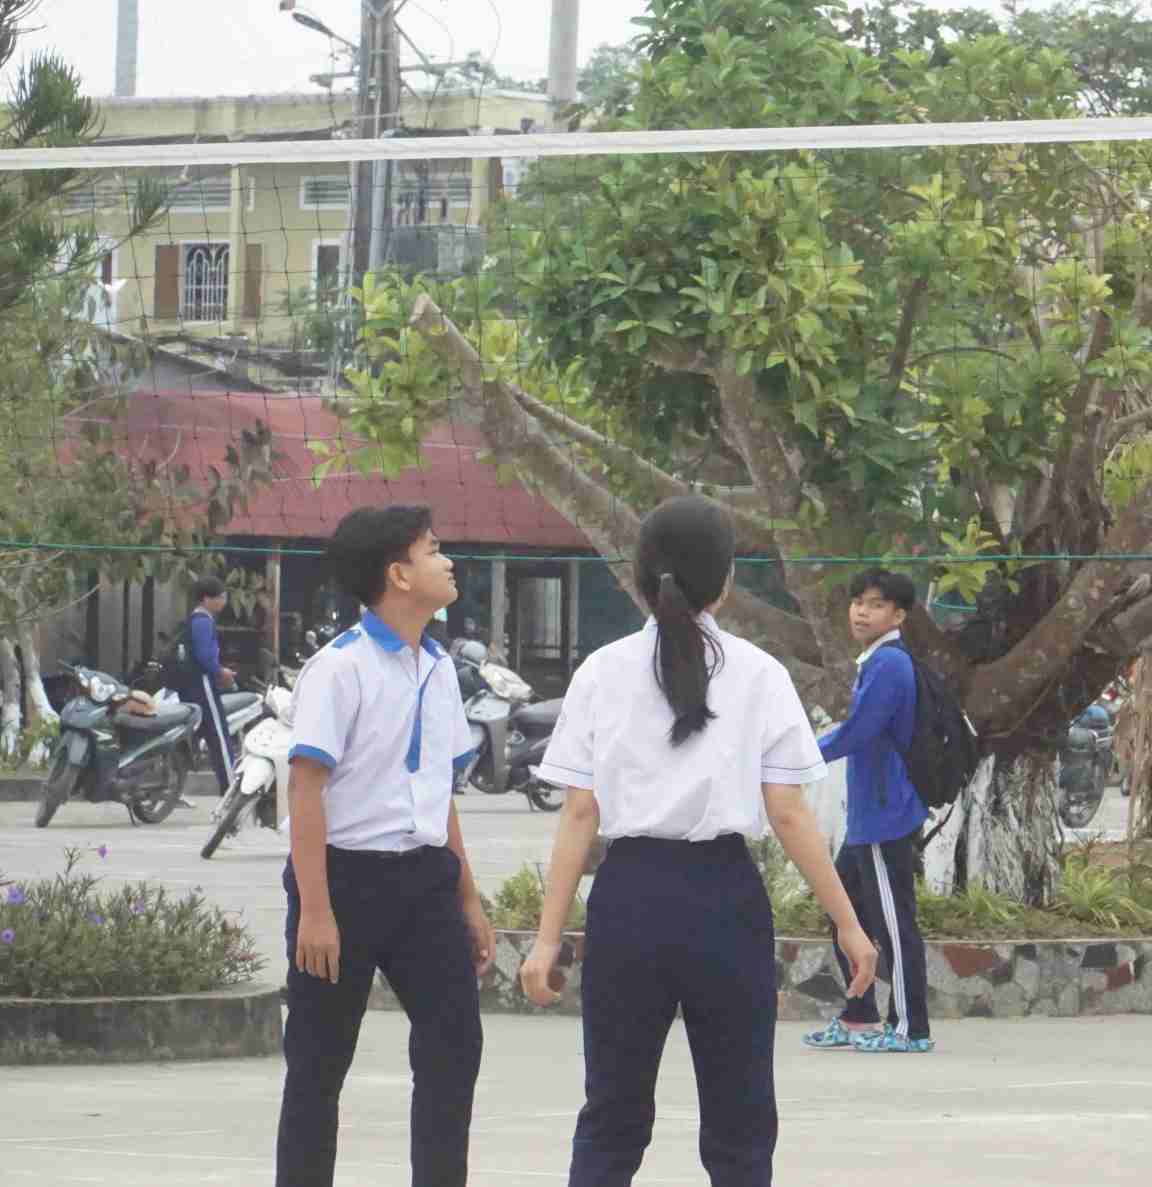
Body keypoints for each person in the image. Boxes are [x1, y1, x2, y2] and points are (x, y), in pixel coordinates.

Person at [519, 494, 878, 1187]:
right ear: (726, 581)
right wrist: (848, 922)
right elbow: (790, 813)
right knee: (742, 1121)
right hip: (725, 900)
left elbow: (580, 816)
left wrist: (545, 938)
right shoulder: (760, 674)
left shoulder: (600, 671)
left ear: (639, 573)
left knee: (613, 1115)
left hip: (628, 899)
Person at [276, 505, 495, 1187]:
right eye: (434, 549)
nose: (448, 561)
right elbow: (305, 789)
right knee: (319, 1063)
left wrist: (469, 895)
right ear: (399, 574)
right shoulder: (338, 668)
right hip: (343, 882)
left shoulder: (437, 666)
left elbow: (440, 792)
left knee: (455, 1045)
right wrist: (316, 909)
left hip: (426, 883)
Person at [801, 568, 936, 1055]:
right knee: (847, 915)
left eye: (876, 604)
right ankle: (859, 1017)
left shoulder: (890, 665)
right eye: (858, 601)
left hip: (886, 816)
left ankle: (909, 1028)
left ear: (898, 615)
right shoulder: (875, 661)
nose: (862, 610)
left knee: (893, 924)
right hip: (867, 817)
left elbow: (860, 731)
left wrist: (802, 755)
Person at [180, 577, 238, 794]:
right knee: (219, 735)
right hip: (202, 684)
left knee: (203, 733)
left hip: (189, 684)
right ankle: (230, 785)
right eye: (221, 597)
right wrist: (221, 671)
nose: (224, 601)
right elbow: (205, 656)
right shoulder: (204, 622)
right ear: (206, 599)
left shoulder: (193, 620)